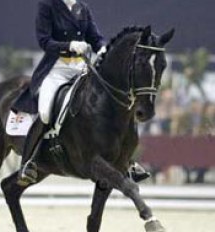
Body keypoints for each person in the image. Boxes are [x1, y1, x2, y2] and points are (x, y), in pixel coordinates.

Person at [17, 0, 149, 185]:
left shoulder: (82, 8)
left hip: (81, 68)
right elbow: (44, 41)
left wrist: (103, 48)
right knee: (46, 112)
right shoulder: (48, 5)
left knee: (109, 104)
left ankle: (126, 162)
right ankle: (28, 163)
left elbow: (95, 37)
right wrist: (69, 45)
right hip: (56, 69)